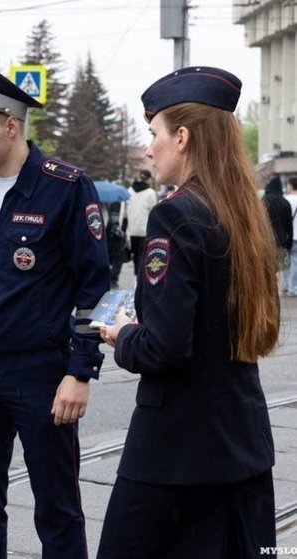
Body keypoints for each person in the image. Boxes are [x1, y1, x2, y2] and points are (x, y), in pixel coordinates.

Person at [0, 60, 110, 558]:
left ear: (12, 126)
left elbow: (94, 287)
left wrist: (80, 372)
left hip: (40, 372)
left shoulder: (66, 187)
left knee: (57, 508)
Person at [97, 66, 280, 558]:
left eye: (153, 133)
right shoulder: (245, 212)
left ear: (182, 137)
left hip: (173, 451)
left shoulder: (174, 214)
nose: (148, 147)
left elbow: (165, 347)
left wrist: (123, 337)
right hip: (241, 443)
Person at [262, 175, 293, 290]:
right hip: (282, 241)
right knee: (279, 269)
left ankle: (270, 290)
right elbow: (289, 226)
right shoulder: (285, 203)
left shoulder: (264, 201)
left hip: (266, 242)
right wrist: (288, 244)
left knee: (268, 268)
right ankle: (277, 290)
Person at [125, 169, 157, 276]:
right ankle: (139, 278)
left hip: (131, 229)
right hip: (144, 229)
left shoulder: (129, 190)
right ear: (148, 179)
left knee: (135, 255)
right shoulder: (151, 193)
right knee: (142, 255)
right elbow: (153, 211)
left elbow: (125, 210)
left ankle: (135, 276)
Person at [104, 201, 126, 288]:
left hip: (105, 234)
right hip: (116, 234)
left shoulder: (101, 202)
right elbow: (116, 221)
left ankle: (110, 277)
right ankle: (113, 278)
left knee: (107, 257)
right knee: (118, 258)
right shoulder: (117, 202)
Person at [286, 177, 297, 296]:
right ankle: (293, 287)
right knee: (295, 262)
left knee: (285, 262)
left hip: (288, 235)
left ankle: (289, 287)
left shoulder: (286, 200)